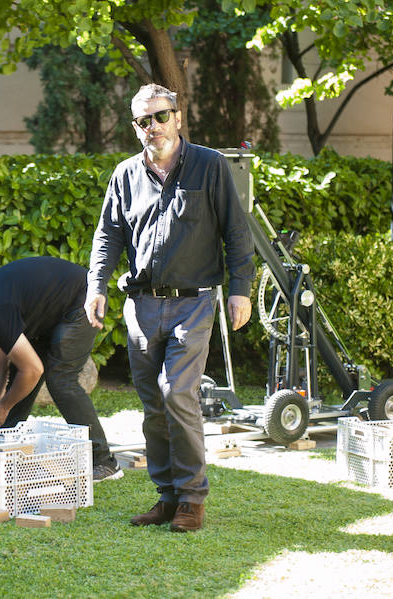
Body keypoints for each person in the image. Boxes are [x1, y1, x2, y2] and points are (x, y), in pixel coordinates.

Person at [85, 83, 254, 532]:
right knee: (153, 407)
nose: (153, 127)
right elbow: (108, 236)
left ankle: (192, 499)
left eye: (161, 116)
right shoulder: (124, 175)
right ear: (135, 126)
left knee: (177, 394)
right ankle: (166, 497)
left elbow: (237, 232)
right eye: (144, 120)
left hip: (193, 304)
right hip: (141, 308)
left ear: (178, 117)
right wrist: (95, 285)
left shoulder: (210, 166)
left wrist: (241, 288)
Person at [0, 256, 123, 482]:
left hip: (81, 300)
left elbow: (34, 370)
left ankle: (104, 462)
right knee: (21, 374)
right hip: (54, 314)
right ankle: (1, 446)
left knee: (60, 380)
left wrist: (4, 406)